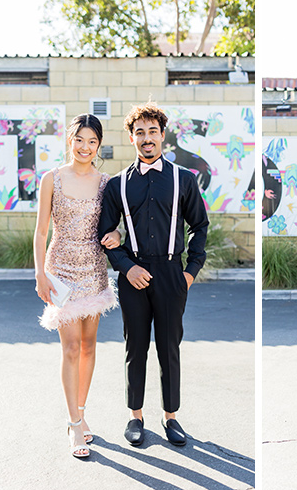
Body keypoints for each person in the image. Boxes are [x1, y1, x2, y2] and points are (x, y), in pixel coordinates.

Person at [98, 102, 209, 446]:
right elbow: (105, 234)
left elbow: (200, 226)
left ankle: (171, 417)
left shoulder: (184, 180)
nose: (147, 139)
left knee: (169, 347)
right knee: (135, 348)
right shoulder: (116, 186)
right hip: (134, 273)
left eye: (152, 132)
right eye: (140, 132)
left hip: (171, 273)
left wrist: (189, 272)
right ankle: (135, 416)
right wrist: (126, 267)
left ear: (163, 135)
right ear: (132, 138)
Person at [34, 113, 121, 458]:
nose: (85, 147)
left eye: (92, 141)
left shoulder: (106, 183)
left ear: (98, 146)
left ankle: (82, 415)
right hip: (61, 270)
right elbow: (41, 231)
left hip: (94, 267)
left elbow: (115, 227)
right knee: (70, 348)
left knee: (88, 347)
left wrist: (116, 235)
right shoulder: (51, 179)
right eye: (79, 139)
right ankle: (72, 425)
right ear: (70, 140)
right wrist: (39, 273)